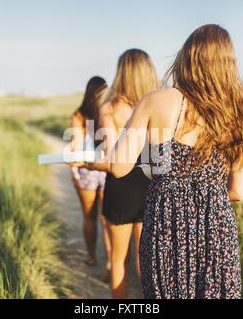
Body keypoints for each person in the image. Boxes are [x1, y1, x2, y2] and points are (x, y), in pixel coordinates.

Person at [110, 25, 243, 299]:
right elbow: (238, 191)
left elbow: (119, 167)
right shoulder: (237, 114)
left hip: (166, 224)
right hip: (216, 228)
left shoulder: (155, 101)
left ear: (187, 57)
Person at [84, 49, 158, 298]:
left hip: (121, 188)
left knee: (119, 261)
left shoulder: (111, 108)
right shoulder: (158, 105)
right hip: (152, 187)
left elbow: (114, 161)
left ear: (122, 72)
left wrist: (90, 165)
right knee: (147, 263)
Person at [70, 76, 111, 275]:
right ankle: (112, 261)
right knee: (107, 219)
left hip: (86, 169)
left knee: (89, 217)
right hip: (105, 168)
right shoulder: (109, 112)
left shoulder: (79, 115)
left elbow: (76, 148)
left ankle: (91, 256)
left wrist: (73, 172)